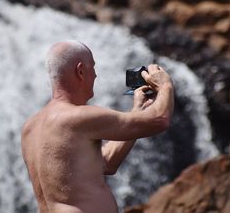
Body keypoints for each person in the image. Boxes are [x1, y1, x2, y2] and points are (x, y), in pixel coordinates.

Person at [21, 40, 174, 213]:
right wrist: (165, 85)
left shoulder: (30, 127)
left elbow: (106, 164)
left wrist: (137, 110)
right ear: (80, 71)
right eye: (93, 67)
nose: (95, 76)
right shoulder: (79, 116)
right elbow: (160, 119)